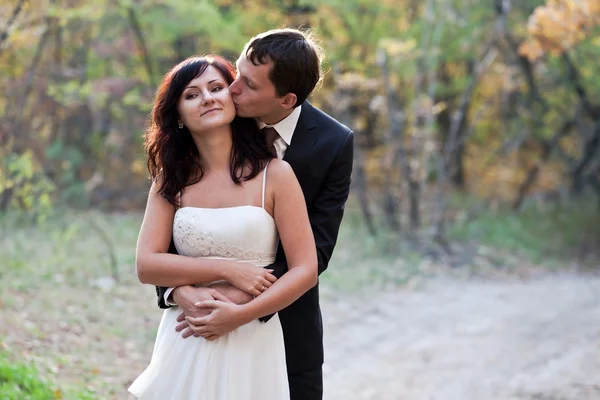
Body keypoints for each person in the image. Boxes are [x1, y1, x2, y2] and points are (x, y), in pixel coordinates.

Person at [156, 28, 355, 400]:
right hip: (198, 320)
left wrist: (238, 299)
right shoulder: (218, 114)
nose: (230, 89)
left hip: (287, 323)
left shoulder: (332, 143)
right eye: (236, 71)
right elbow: (177, 229)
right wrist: (176, 289)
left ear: (285, 99)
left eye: (247, 84)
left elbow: (317, 251)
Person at [128, 54, 318, 399]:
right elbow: (146, 265)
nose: (208, 98)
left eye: (216, 87)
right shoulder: (170, 181)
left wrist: (241, 315)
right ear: (179, 115)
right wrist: (227, 270)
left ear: (233, 97)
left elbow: (305, 268)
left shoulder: (274, 175)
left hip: (252, 335)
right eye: (192, 94)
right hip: (188, 332)